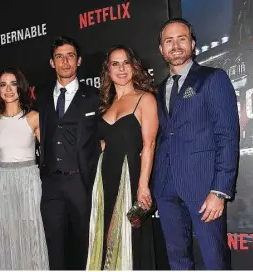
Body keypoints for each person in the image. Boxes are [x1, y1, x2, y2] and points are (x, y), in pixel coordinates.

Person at [153, 18, 239, 270]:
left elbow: (227, 136)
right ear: (161, 49)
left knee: (214, 260)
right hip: (166, 189)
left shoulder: (213, 79)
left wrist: (219, 191)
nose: (175, 45)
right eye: (168, 41)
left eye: (181, 39)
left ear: (192, 44)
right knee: (177, 260)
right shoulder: (158, 90)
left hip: (204, 189)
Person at [87, 45, 159, 270]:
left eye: (126, 62)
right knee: (105, 235)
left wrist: (143, 186)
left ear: (134, 67)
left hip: (130, 176)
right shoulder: (106, 105)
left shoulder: (144, 99)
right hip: (105, 177)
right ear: (108, 70)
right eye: (115, 64)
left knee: (128, 239)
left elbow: (149, 145)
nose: (121, 69)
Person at [36, 36, 100, 270]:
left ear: (79, 61)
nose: (65, 62)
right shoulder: (41, 98)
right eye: (59, 57)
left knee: (84, 246)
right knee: (55, 249)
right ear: (52, 62)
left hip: (81, 184)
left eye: (70, 56)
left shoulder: (94, 97)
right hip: (51, 184)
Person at [0, 66, 49, 270]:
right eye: (3, 85)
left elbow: (47, 154)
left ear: (21, 87)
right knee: (9, 232)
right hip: (4, 180)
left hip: (29, 179)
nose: (8, 89)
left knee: (32, 230)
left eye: (13, 84)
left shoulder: (34, 117)